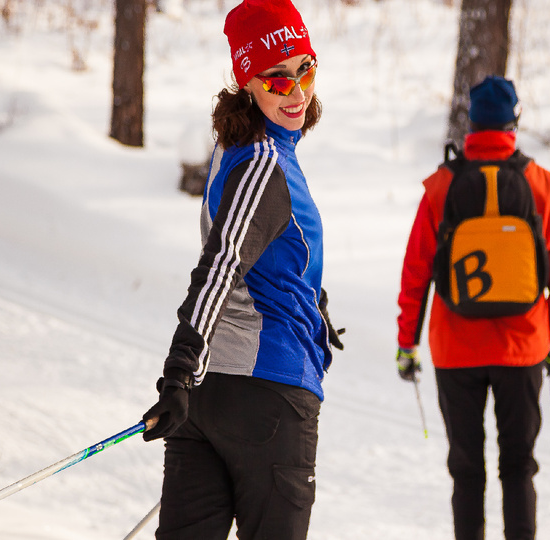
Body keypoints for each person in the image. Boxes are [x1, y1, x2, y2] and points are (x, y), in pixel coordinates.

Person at [140, 1, 342, 538]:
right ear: (247, 81)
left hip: (211, 399)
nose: (297, 92)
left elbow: (256, 256)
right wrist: (180, 366)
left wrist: (311, 306)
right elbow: (223, 262)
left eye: (306, 69)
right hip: (264, 398)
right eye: (278, 80)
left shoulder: (235, 149)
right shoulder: (263, 163)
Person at [395, 76, 550, 540]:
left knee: (466, 468)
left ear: (471, 123)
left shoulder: (439, 186)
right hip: (522, 348)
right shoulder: (541, 184)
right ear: (514, 121)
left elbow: (416, 272)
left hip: (455, 349)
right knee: (519, 467)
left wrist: (406, 345)